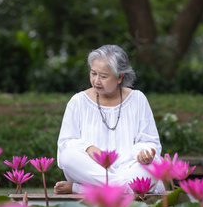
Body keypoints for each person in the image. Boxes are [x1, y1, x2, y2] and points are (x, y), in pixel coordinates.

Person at [54, 44, 165, 194]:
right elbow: (65, 144)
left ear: (120, 77)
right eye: (93, 73)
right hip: (92, 169)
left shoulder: (138, 99)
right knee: (68, 156)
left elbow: (150, 141)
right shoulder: (78, 102)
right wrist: (88, 148)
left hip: (129, 168)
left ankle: (82, 189)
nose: (96, 81)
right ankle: (122, 189)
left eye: (103, 76)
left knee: (152, 169)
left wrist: (144, 154)